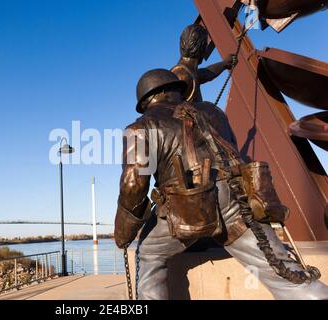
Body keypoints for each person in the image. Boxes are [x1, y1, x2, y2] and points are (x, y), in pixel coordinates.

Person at [114, 68, 328, 300]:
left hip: (186, 207)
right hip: (237, 202)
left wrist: (123, 232)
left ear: (146, 99)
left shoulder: (140, 128)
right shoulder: (213, 112)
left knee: (149, 254)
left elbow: (133, 184)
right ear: (176, 90)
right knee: (287, 276)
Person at [171, 24, 236, 102]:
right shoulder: (183, 77)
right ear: (202, 47)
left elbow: (206, 73)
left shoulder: (188, 73)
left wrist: (225, 63)